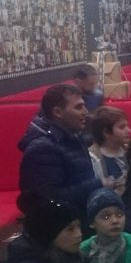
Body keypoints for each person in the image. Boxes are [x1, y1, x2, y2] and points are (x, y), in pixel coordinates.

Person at [19, 84, 115, 227]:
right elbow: (49, 199)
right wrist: (98, 184)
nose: (85, 111)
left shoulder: (73, 137)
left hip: (77, 222)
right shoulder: (43, 149)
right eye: (78, 107)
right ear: (58, 112)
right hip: (60, 229)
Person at [87, 106, 131, 190]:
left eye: (127, 126)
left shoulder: (129, 151)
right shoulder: (92, 157)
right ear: (106, 132)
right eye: (122, 127)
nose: (129, 130)